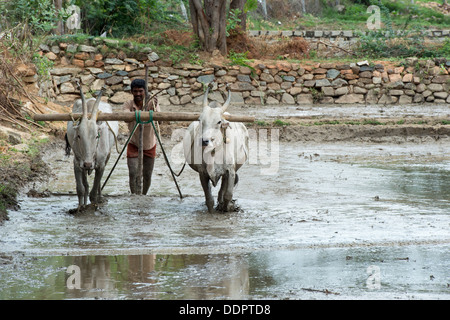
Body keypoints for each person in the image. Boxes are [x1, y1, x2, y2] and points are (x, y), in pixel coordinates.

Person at [123, 79, 160, 195]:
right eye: (135, 91)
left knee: (147, 175)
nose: (138, 94)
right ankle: (134, 195)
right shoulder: (128, 104)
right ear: (131, 92)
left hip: (149, 144)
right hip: (134, 143)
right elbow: (125, 117)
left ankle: (144, 195)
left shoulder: (152, 103)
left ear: (145, 91)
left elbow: (159, 119)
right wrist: (138, 114)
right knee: (133, 173)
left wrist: (153, 108)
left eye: (140, 91)